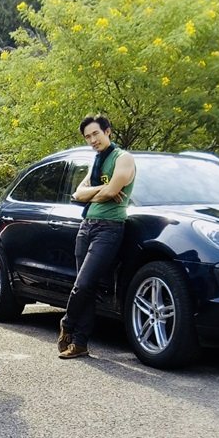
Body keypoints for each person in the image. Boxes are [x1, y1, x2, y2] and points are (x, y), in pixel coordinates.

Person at [58, 114, 136, 359]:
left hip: (109, 228)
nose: (92, 140)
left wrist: (100, 192)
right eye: (88, 137)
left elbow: (111, 191)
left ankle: (67, 323)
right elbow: (78, 194)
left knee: (83, 284)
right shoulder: (96, 162)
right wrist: (103, 189)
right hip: (86, 226)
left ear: (107, 131)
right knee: (86, 288)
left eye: (96, 134)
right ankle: (80, 344)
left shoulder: (123, 158)